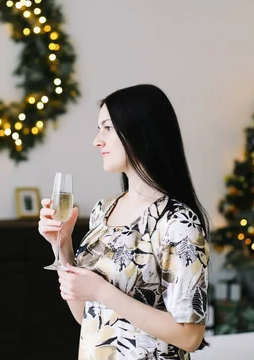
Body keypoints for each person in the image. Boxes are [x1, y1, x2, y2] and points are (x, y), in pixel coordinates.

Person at [38, 84, 211, 359]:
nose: (97, 140)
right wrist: (61, 243)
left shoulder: (178, 222)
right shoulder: (103, 211)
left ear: (139, 131)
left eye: (107, 127)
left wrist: (102, 291)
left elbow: (190, 336)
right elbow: (87, 316)